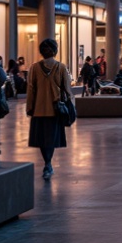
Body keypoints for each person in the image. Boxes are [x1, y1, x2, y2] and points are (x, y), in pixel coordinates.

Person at [26, 38, 72, 180]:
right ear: (55, 51)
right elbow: (67, 90)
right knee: (51, 138)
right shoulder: (61, 67)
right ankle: (48, 163)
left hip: (39, 109)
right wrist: (70, 106)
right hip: (55, 109)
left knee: (41, 138)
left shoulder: (34, 68)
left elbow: (31, 89)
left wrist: (30, 107)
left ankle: (47, 162)